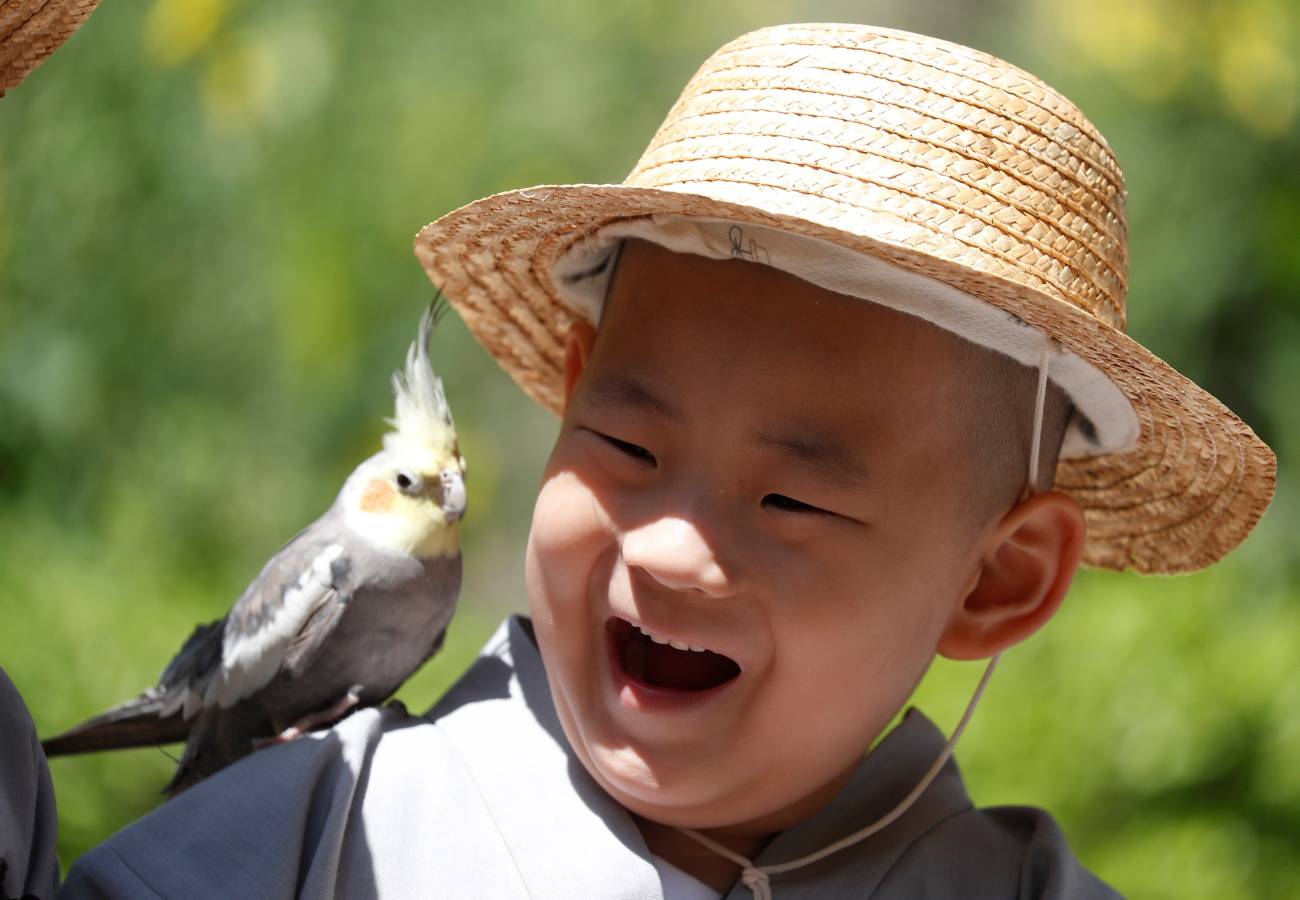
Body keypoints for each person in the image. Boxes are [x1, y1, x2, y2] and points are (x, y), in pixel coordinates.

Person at [1, 22, 1276, 900]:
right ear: (562, 402)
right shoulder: (309, 834)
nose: (669, 541)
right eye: (622, 441)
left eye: (791, 496)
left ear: (998, 582)